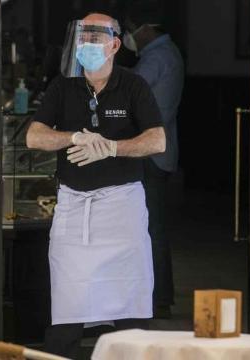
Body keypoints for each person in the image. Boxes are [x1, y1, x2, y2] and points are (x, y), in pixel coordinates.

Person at [26, 13, 165, 358]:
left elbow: (157, 140)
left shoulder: (133, 86)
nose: (87, 44)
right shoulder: (63, 86)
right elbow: (34, 136)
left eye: (95, 37)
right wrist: (73, 136)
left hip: (122, 209)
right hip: (74, 208)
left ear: (115, 44)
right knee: (68, 297)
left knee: (129, 298)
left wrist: (113, 147)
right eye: (83, 37)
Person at [123, 6, 185, 318]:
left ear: (145, 27)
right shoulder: (166, 54)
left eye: (130, 28)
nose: (128, 36)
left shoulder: (156, 59)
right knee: (151, 227)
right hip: (157, 152)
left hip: (150, 154)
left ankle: (158, 298)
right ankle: (156, 296)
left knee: (151, 229)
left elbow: (127, 97)